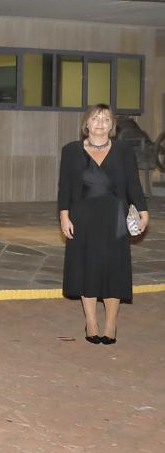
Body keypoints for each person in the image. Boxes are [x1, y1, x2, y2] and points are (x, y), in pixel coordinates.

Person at [58, 104, 147, 345]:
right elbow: (64, 186)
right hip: (82, 218)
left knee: (114, 270)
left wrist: (143, 211)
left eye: (106, 119)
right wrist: (64, 215)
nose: (100, 122)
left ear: (112, 126)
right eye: (95, 118)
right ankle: (91, 321)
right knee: (87, 268)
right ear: (86, 124)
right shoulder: (71, 151)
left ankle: (110, 324)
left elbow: (133, 185)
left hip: (115, 218)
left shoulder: (124, 151)